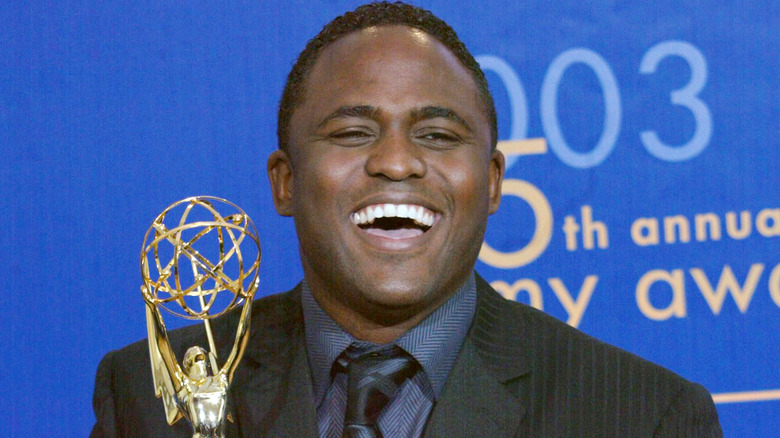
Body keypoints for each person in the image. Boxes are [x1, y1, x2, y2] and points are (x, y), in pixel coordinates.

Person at [91, 2, 722, 437]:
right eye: (353, 132)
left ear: (494, 181)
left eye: (439, 135)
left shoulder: (642, 414)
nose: (396, 162)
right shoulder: (150, 396)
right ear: (284, 182)